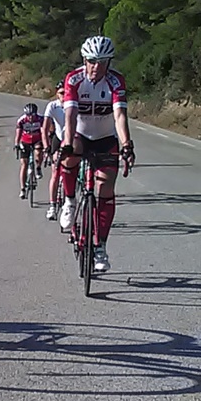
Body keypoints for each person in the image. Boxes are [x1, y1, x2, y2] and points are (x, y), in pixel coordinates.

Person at [58, 35, 135, 272]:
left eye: (102, 62)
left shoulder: (115, 81)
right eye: (91, 61)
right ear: (84, 60)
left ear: (109, 62)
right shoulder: (74, 79)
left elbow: (119, 116)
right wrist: (67, 143)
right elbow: (70, 115)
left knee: (106, 188)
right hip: (80, 135)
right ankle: (69, 201)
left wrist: (127, 145)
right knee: (70, 153)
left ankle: (100, 245)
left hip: (105, 139)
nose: (96, 67)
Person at [41, 80, 66, 220]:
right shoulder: (52, 106)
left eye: (67, 93)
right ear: (57, 94)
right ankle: (52, 205)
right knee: (55, 172)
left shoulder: (75, 104)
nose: (64, 96)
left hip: (74, 138)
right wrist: (46, 147)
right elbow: (44, 129)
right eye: (61, 93)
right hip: (59, 138)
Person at [13, 103, 44, 199]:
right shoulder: (21, 121)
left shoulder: (40, 119)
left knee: (38, 151)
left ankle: (38, 168)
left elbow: (44, 132)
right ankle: (22, 189)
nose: (30, 117)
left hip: (37, 140)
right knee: (24, 164)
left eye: (32, 115)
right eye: (28, 115)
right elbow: (18, 134)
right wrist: (16, 144)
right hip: (25, 141)